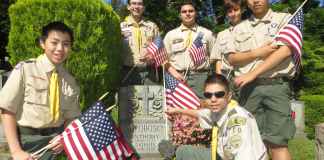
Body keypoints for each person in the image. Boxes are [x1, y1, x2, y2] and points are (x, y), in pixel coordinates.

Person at [225, 0, 297, 159]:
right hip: (249, 91)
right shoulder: (240, 28)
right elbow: (232, 59)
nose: (255, 1)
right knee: (256, 143)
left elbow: (285, 50)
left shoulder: (284, 19)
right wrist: (258, 52)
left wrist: (253, 73)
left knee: (278, 143)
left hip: (276, 87)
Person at [0, 22, 81, 160]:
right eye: (54, 43)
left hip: (55, 142)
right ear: (42, 43)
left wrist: (63, 138)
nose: (60, 48)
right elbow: (7, 110)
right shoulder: (26, 69)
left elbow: (71, 116)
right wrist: (16, 151)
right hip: (26, 141)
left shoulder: (70, 79)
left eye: (66, 44)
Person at [165, 74, 266, 160]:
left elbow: (244, 156)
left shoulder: (237, 121)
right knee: (184, 151)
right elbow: (200, 114)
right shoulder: (219, 111)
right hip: (224, 156)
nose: (213, 99)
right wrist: (176, 110)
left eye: (219, 94)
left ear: (229, 96)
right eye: (208, 95)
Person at [162, 0, 217, 99]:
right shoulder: (170, 35)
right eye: (184, 12)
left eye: (190, 11)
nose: (187, 14)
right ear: (179, 15)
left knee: (202, 108)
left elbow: (216, 57)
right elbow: (163, 58)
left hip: (201, 78)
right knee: (176, 110)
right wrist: (174, 73)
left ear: (196, 13)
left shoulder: (207, 34)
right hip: (176, 77)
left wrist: (203, 65)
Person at [120, 0, 160, 87]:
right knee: (127, 100)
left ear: (144, 7)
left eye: (139, 4)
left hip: (148, 74)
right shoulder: (121, 27)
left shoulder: (152, 27)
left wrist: (150, 57)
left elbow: (160, 50)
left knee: (150, 100)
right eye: (133, 3)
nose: (136, 7)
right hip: (127, 73)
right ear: (128, 6)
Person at [214, 0, 245, 102]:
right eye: (229, 11)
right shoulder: (221, 35)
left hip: (244, 74)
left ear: (242, 9)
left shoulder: (251, 29)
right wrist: (220, 80)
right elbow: (219, 59)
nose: (233, 14)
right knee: (228, 107)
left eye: (236, 10)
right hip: (227, 75)